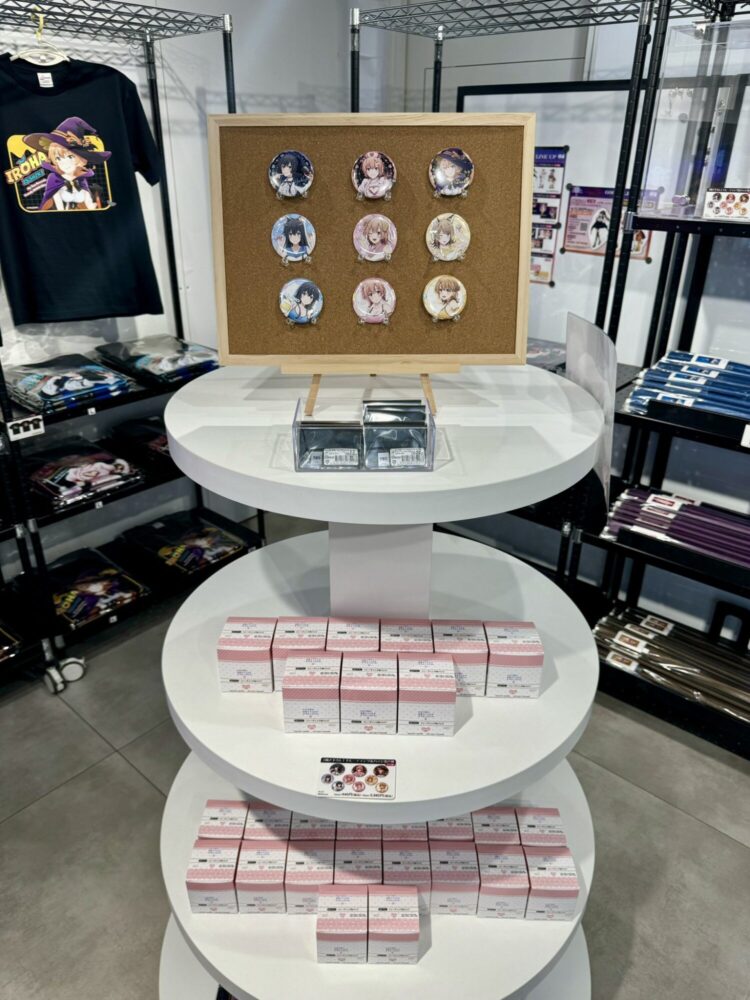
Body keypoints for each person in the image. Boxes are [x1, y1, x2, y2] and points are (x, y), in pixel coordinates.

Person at [23, 116, 112, 212]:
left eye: (70, 157)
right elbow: (52, 199)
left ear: (80, 159)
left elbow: (86, 199)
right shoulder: (53, 178)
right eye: (58, 158)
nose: (64, 163)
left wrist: (90, 205)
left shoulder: (82, 179)